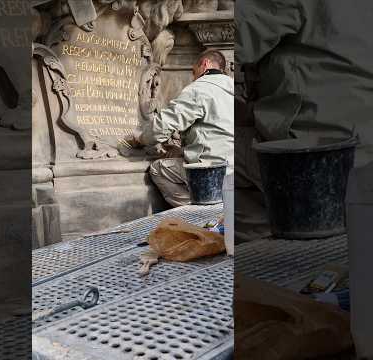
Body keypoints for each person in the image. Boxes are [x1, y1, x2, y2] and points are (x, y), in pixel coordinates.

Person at [235, 0, 373, 242]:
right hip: (361, 149)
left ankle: (270, 245)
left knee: (214, 156)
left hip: (320, 159)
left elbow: (236, 35)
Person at [128, 50, 234, 207]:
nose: (194, 77)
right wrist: (183, 152)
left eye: (193, 71)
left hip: (214, 172)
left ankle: (200, 213)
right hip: (235, 169)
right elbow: (217, 135)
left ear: (204, 64)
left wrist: (141, 138)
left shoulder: (199, 88)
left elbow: (164, 125)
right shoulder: (232, 87)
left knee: (158, 169)